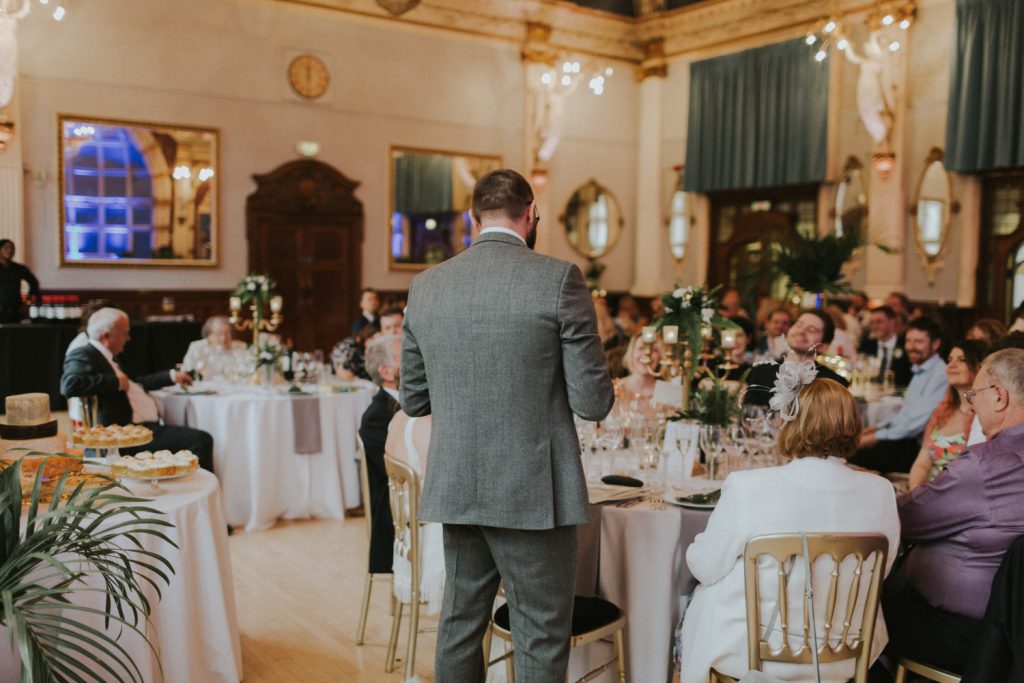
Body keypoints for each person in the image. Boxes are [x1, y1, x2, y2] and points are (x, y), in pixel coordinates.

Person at [400, 168, 614, 682]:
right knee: (540, 630)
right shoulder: (559, 279)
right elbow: (592, 403)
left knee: (459, 622)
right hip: (532, 493)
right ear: (532, 213)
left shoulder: (426, 285)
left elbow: (412, 398)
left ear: (475, 217)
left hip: (458, 482)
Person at [679, 373, 900, 683]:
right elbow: (882, 572)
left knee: (704, 593)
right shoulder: (881, 491)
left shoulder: (749, 486)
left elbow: (706, 567)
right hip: (845, 653)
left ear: (790, 422)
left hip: (753, 654)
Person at [882, 348, 1024, 675]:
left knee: (862, 609)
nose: (971, 404)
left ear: (1000, 397)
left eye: (975, 394)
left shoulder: (984, 467)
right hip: (1009, 634)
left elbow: (903, 520)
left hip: (968, 636)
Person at [60, 307, 214, 472]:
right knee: (201, 439)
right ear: (106, 336)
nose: (128, 338)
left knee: (190, 431)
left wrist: (170, 376)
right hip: (126, 435)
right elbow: (69, 385)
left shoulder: (109, 357)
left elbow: (133, 384)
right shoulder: (85, 354)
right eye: (124, 333)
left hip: (141, 428)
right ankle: (195, 489)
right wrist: (115, 382)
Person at [852, 317, 949, 473]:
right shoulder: (920, 370)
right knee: (849, 444)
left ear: (935, 344)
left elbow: (915, 424)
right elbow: (905, 413)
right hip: (904, 439)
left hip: (918, 448)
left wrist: (875, 437)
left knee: (853, 454)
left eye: (918, 341)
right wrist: (875, 429)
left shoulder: (940, 375)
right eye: (909, 341)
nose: (911, 347)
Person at [385, 409, 445, 615]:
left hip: (407, 540)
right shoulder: (429, 424)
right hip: (432, 546)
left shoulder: (397, 418)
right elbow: (440, 493)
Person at [907, 340, 987, 489]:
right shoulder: (943, 410)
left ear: (979, 368)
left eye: (962, 360)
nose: (952, 365)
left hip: (959, 495)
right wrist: (915, 491)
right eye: (949, 360)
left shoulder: (983, 415)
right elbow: (922, 463)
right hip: (926, 493)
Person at [357, 334, 403, 575]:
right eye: (405, 356)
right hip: (395, 513)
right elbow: (397, 472)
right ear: (386, 372)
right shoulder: (375, 417)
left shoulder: (413, 404)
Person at [743, 309, 848, 406]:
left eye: (811, 330)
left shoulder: (834, 384)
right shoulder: (761, 372)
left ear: (823, 346)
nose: (801, 331)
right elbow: (749, 415)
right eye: (798, 325)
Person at [858, 306, 912, 388]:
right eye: (872, 323)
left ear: (892, 322)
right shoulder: (866, 346)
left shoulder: (906, 346)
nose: (875, 327)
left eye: (879, 322)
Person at [181, 315, 248, 380]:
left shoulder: (239, 348)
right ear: (209, 335)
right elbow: (186, 372)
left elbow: (248, 373)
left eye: (227, 333)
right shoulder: (197, 347)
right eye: (218, 334)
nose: (223, 338)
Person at [614, 332, 662, 406]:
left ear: (661, 357)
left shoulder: (668, 392)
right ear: (632, 353)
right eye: (641, 348)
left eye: (654, 350)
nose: (647, 354)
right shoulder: (615, 389)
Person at [0, 239, 40, 324]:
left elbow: (34, 283)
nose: (10, 250)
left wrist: (27, 302)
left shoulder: (19, 268)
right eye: (6, 248)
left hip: (16, 309)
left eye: (12, 248)